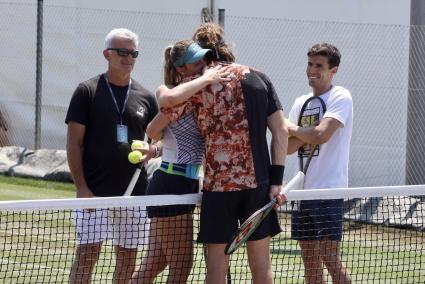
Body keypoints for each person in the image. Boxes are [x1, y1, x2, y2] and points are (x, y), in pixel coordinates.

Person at [158, 23, 289, 284]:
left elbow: (164, 106)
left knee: (216, 270)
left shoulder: (193, 83)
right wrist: (276, 181)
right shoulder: (259, 77)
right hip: (259, 185)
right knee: (261, 267)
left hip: (218, 188)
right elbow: (281, 131)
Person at [131, 40, 230, 283]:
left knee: (156, 261)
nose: (203, 65)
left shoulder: (197, 98)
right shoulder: (169, 92)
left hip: (183, 183)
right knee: (182, 265)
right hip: (170, 184)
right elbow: (155, 128)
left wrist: (153, 151)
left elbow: (176, 141)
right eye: (195, 62)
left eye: (203, 59)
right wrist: (206, 79)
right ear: (181, 70)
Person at [65, 28, 160, 284]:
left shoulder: (147, 96)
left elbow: (161, 137)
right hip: (94, 192)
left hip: (134, 193)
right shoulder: (87, 91)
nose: (128, 58)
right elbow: (74, 142)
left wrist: (154, 150)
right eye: (122, 52)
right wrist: (81, 187)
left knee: (128, 259)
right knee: (87, 254)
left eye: (133, 53)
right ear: (107, 54)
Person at [286, 43, 353, 284]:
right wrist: (304, 133)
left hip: (328, 191)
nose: (312, 70)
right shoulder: (300, 102)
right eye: (310, 64)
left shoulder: (340, 96)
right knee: (310, 259)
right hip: (301, 195)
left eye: (319, 66)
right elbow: (287, 147)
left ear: (333, 70)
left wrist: (293, 128)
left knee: (329, 256)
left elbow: (321, 135)